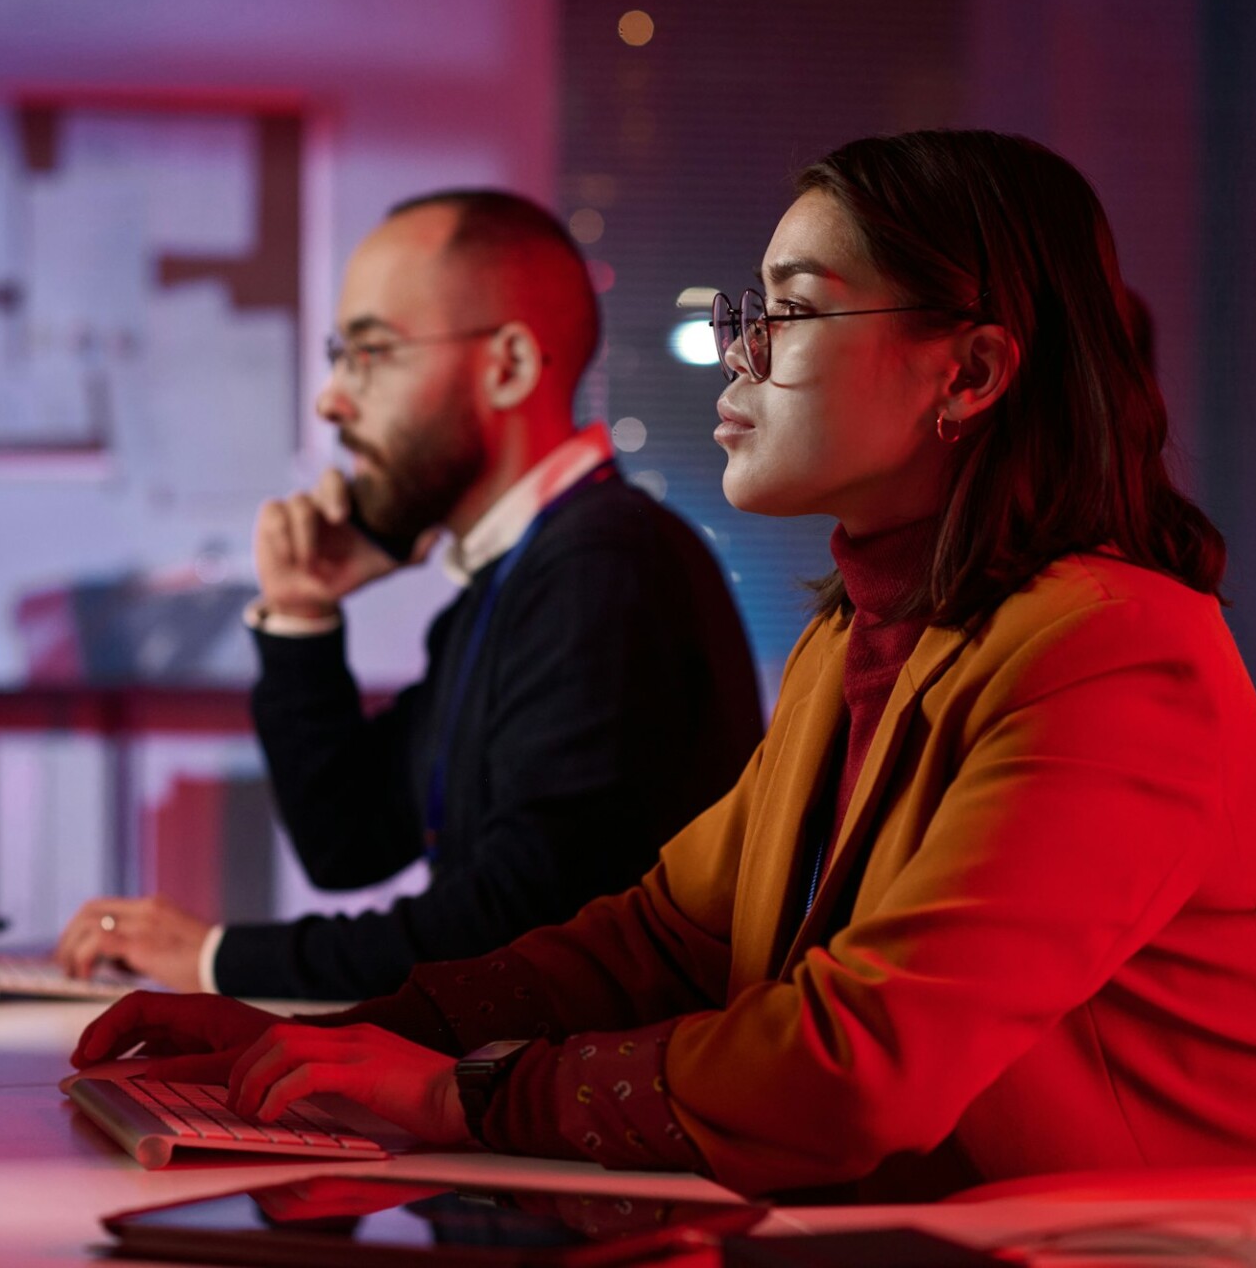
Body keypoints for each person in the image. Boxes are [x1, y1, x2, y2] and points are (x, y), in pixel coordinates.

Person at [65, 131, 1256, 1200]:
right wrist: (349, 1034)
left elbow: (860, 1062)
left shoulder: (1114, 650)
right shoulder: (860, 638)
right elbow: (658, 939)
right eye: (746, 310)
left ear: (971, 371)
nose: (738, 352)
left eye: (786, 309)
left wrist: (459, 1093)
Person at [54, 190, 764, 1000]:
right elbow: (348, 843)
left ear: (508, 367)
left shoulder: (602, 568)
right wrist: (302, 614)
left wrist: (216, 958)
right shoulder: (516, 575)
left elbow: (521, 927)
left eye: (370, 353)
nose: (331, 400)